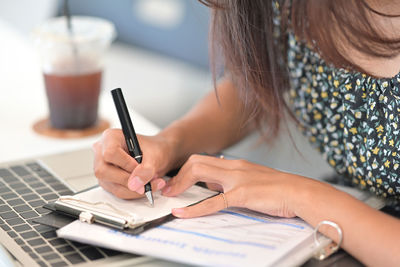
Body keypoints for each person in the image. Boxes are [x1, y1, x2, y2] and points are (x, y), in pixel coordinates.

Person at [92, 0, 400, 265]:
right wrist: (172, 142)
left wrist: (300, 194)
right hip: (350, 223)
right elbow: (256, 85)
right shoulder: (291, 7)